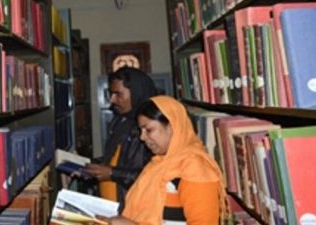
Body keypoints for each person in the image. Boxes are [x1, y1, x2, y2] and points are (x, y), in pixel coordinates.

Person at [105, 96, 227, 225]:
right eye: (141, 130)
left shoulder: (196, 168)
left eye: (149, 130)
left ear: (172, 126)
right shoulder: (158, 163)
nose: (142, 137)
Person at [83, 66, 158, 209]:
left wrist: (112, 173)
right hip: (110, 207)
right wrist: (89, 165)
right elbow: (117, 158)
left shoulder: (152, 128)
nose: (112, 100)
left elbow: (153, 177)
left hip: (132, 210)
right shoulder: (120, 120)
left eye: (118, 94)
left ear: (136, 93)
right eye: (111, 94)